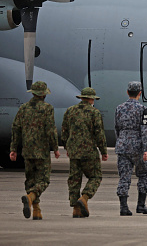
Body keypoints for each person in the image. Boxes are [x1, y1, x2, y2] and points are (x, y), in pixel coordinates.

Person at [9, 81, 60, 220]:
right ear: (44, 94)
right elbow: (50, 130)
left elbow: (16, 128)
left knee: (30, 180)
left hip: (27, 151)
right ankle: (30, 197)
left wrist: (13, 149)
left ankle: (37, 210)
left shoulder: (24, 108)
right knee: (44, 180)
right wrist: (55, 148)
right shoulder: (47, 108)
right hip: (41, 151)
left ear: (32, 93)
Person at [61, 87, 108, 218]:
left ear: (81, 98)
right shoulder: (95, 113)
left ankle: (76, 209)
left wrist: (67, 147)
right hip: (89, 152)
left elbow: (64, 132)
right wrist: (103, 151)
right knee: (96, 177)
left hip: (74, 151)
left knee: (74, 179)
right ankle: (84, 198)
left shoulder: (70, 111)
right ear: (92, 99)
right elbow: (99, 134)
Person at [114, 81, 147, 216]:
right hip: (137, 147)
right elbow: (145, 131)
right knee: (144, 174)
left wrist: (121, 141)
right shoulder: (143, 109)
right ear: (140, 93)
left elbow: (116, 128)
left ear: (127, 92)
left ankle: (123, 207)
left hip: (122, 146)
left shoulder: (119, 108)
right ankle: (140, 205)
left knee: (124, 177)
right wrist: (146, 149)